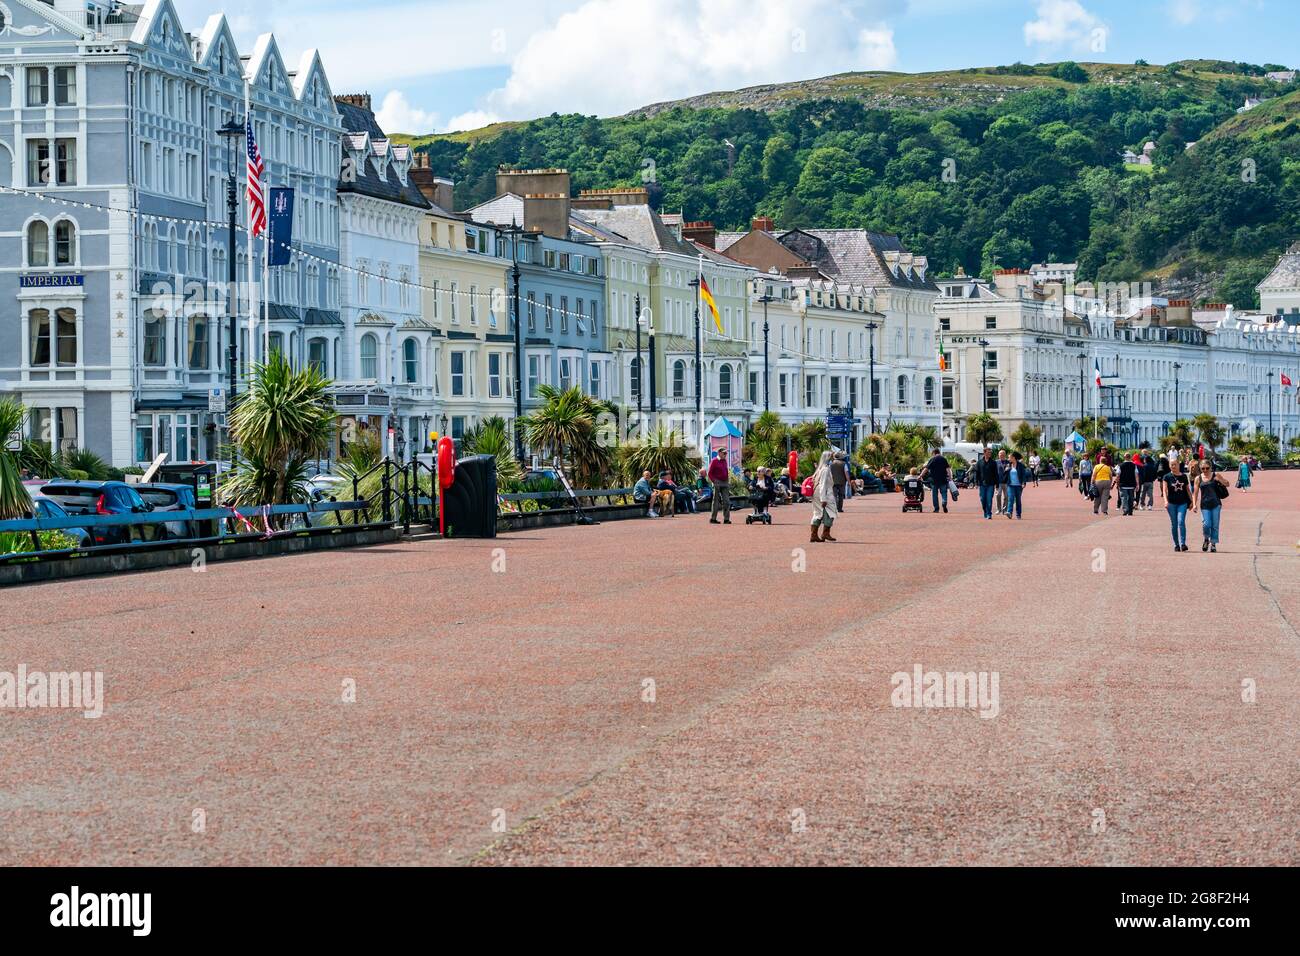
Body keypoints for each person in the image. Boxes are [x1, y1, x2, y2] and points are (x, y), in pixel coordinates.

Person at [1191, 461, 1228, 552]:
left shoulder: (1216, 475)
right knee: (1206, 524)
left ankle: (1213, 544)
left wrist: (1220, 480)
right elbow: (1195, 493)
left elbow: (1227, 484)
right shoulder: (1198, 478)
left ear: (1211, 467)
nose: (1205, 470)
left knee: (1215, 525)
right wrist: (1194, 504)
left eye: (1207, 468)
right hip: (1205, 505)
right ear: (1200, 469)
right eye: (1203, 468)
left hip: (1216, 504)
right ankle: (1206, 539)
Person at [808, 450, 838, 542]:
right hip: (824, 493)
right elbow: (823, 484)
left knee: (818, 513)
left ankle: (815, 535)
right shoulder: (825, 469)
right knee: (831, 512)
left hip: (817, 493)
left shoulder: (820, 469)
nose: (833, 458)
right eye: (831, 457)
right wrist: (823, 499)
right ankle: (825, 533)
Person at [1163, 458, 1191, 552]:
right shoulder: (1167, 477)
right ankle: (1176, 544)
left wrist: (1192, 502)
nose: (1173, 466)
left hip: (1182, 503)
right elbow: (1164, 490)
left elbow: (1187, 489)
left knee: (1181, 522)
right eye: (1171, 465)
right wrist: (1166, 501)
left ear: (1179, 465)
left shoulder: (1183, 476)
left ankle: (1183, 543)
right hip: (1171, 503)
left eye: (1175, 464)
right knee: (1174, 524)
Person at [922, 449, 951, 514]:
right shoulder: (944, 459)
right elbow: (948, 469)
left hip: (934, 480)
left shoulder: (932, 459)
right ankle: (944, 502)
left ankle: (936, 509)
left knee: (934, 494)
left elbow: (926, 469)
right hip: (943, 479)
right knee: (944, 493)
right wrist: (950, 477)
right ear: (939, 452)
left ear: (934, 453)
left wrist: (920, 475)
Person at [708, 448, 731, 524]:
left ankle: (726, 519)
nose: (725, 455)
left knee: (726, 501)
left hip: (725, 482)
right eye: (724, 453)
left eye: (726, 454)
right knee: (716, 501)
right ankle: (713, 518)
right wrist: (714, 481)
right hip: (717, 482)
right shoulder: (714, 461)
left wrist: (727, 481)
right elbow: (710, 473)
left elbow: (726, 471)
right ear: (719, 453)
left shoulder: (724, 461)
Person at [975, 447, 999, 519]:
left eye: (990, 452)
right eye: (988, 452)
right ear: (984, 453)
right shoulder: (979, 462)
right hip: (982, 484)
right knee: (983, 499)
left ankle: (989, 514)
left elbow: (996, 474)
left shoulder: (993, 462)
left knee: (989, 500)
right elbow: (977, 473)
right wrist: (976, 483)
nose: (990, 454)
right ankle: (985, 511)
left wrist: (997, 484)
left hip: (991, 484)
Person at [1005, 451, 1028, 519]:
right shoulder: (1008, 465)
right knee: (1011, 499)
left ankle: (1018, 514)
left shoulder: (1020, 465)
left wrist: (1023, 483)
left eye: (1009, 457)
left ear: (1013, 458)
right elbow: (1005, 473)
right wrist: (1006, 470)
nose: (1008, 459)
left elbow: (1023, 475)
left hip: (1018, 486)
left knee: (1018, 500)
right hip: (1010, 485)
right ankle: (1009, 512)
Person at [994, 449, 1010, 515]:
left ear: (1005, 455)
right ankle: (998, 509)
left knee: (1006, 496)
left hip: (1006, 482)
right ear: (998, 455)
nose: (1002, 455)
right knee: (998, 495)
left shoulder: (1008, 462)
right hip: (998, 482)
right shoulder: (996, 462)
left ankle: (1005, 510)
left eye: (1003, 454)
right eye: (1000, 454)